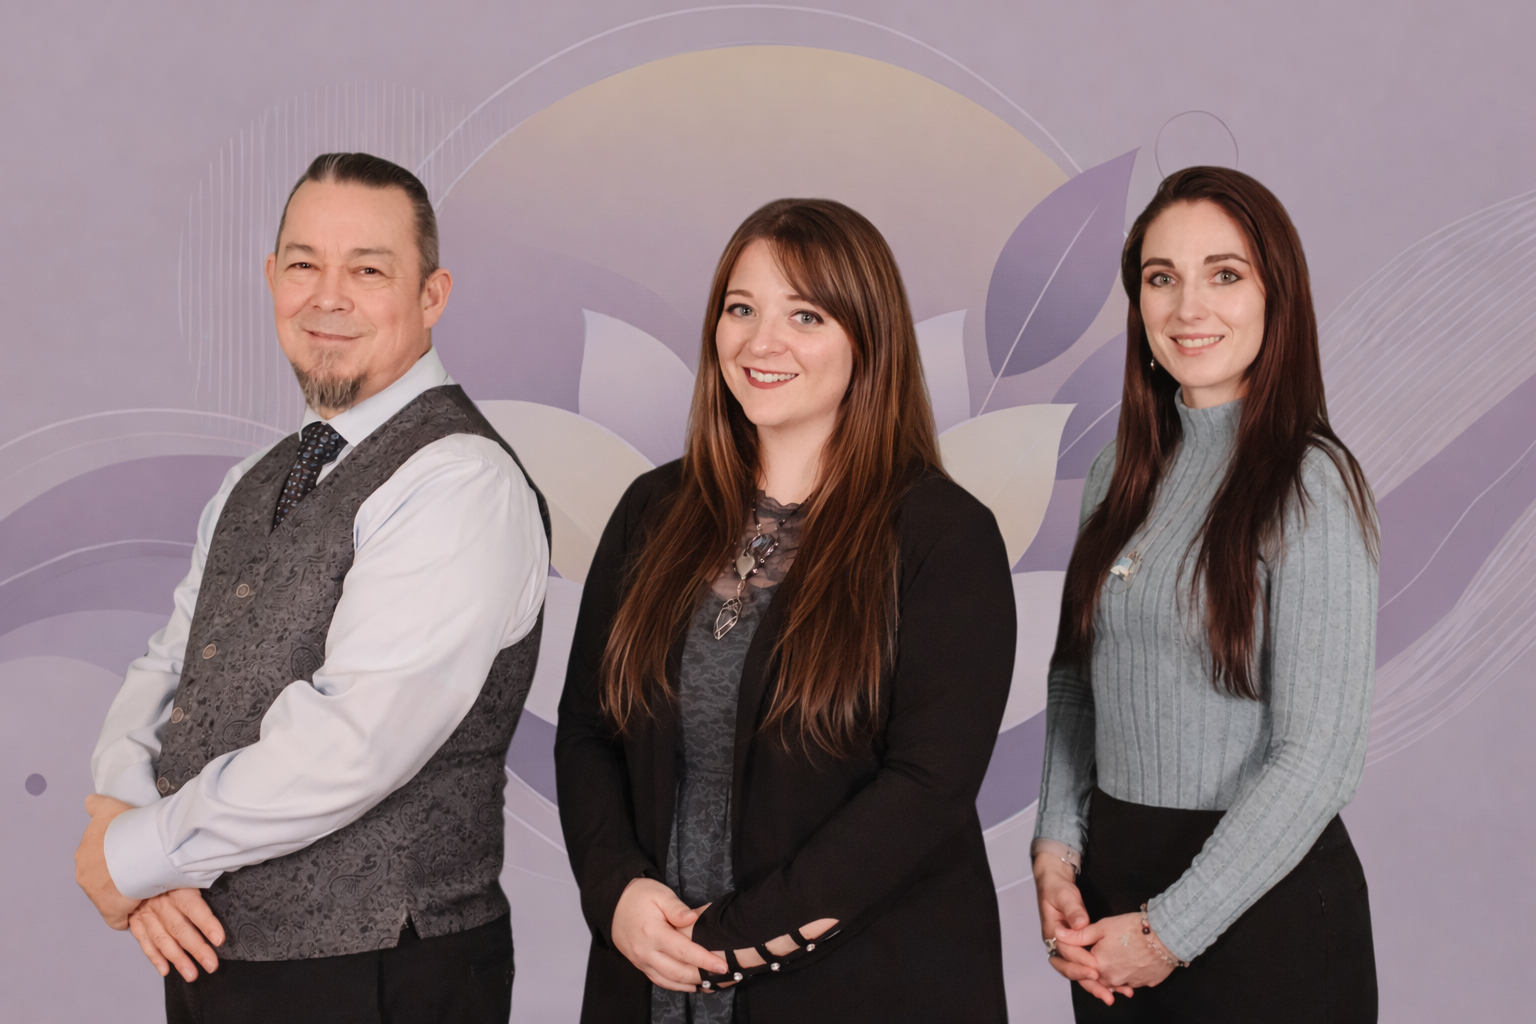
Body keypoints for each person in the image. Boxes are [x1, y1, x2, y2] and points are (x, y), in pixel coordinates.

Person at [74, 152, 550, 1024]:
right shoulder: (259, 477)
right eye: (304, 265)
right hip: (212, 955)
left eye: (369, 271)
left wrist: (141, 854)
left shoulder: (460, 481)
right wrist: (122, 814)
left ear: (431, 296)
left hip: (379, 976)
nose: (327, 298)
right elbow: (170, 663)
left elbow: (352, 743)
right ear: (272, 279)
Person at [555, 198, 1016, 1023]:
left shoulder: (944, 536)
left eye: (804, 314)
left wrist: (734, 937)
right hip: (650, 978)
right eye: (741, 309)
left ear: (865, 337)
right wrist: (617, 894)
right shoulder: (652, 510)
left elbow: (927, 786)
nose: (760, 343)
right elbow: (590, 728)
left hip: (865, 985)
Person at [1031, 166, 1379, 1021]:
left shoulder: (1312, 482)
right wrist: (1055, 848)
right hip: (1114, 900)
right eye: (1162, 278)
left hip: (1263, 915)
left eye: (1225, 274)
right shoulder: (1119, 470)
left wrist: (1166, 934)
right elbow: (1078, 679)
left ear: (1276, 297)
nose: (1190, 308)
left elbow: (1318, 760)